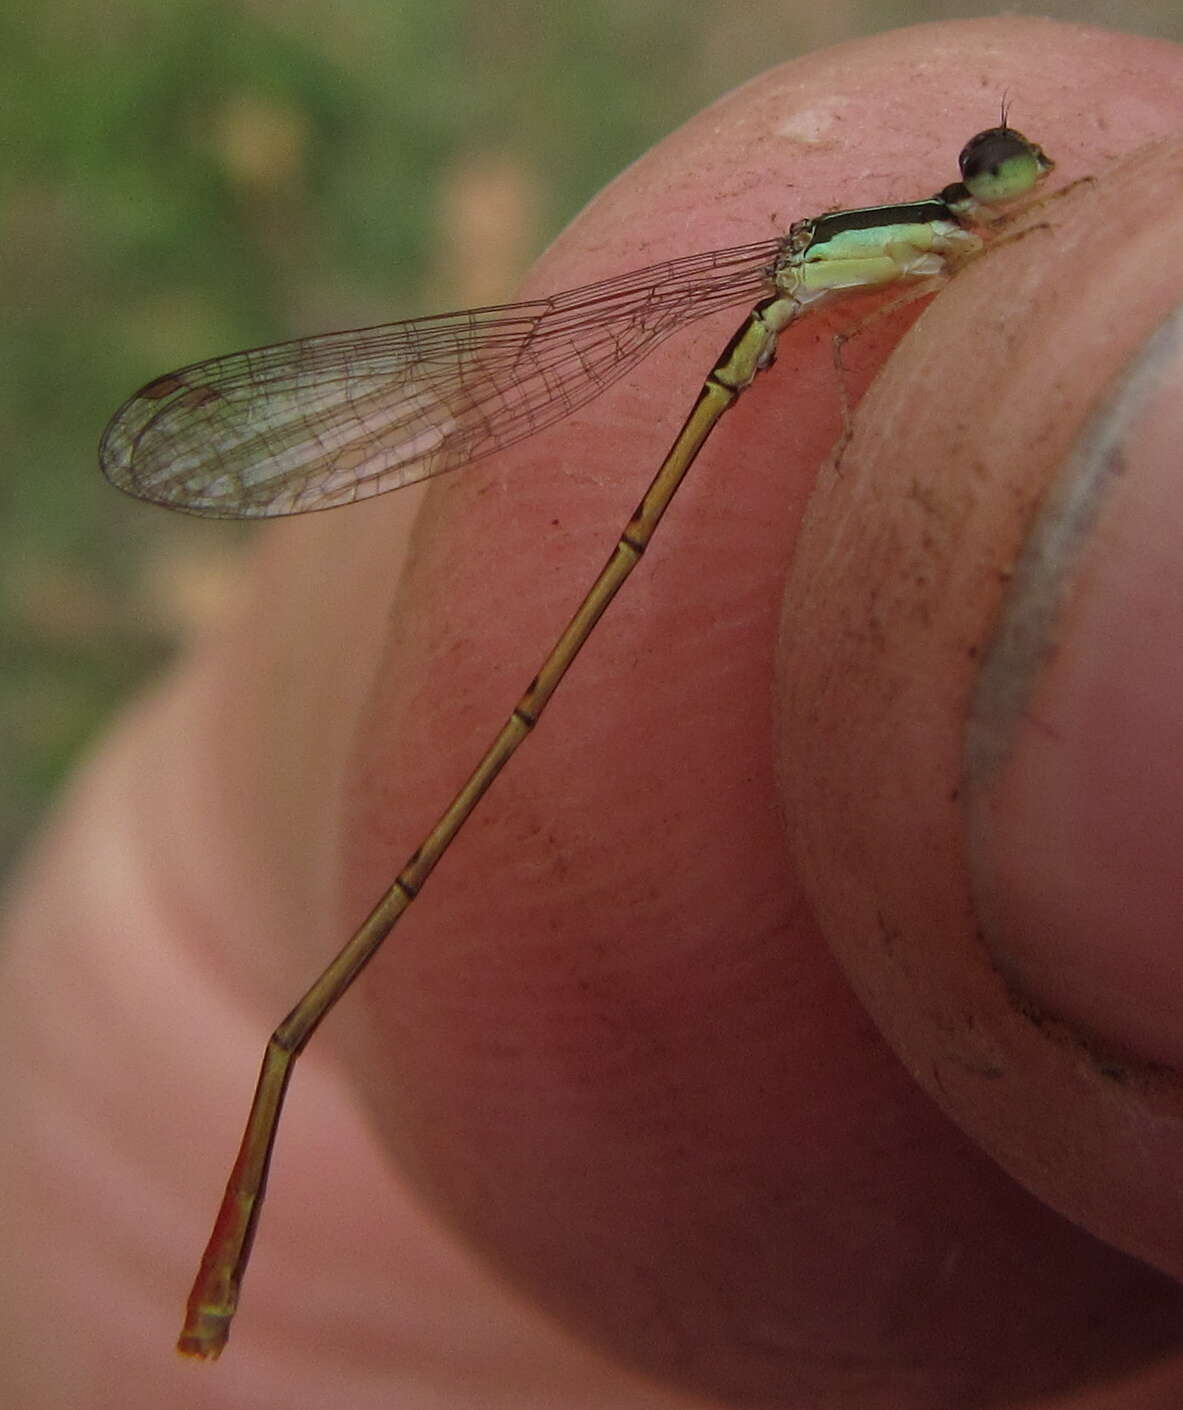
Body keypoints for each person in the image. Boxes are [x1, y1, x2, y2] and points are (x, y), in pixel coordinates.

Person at [5, 18, 1183, 1409]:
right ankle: (256, 1124)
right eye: (992, 173)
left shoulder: (923, 246)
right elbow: (870, 350)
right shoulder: (898, 250)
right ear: (961, 196)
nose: (1011, 187)